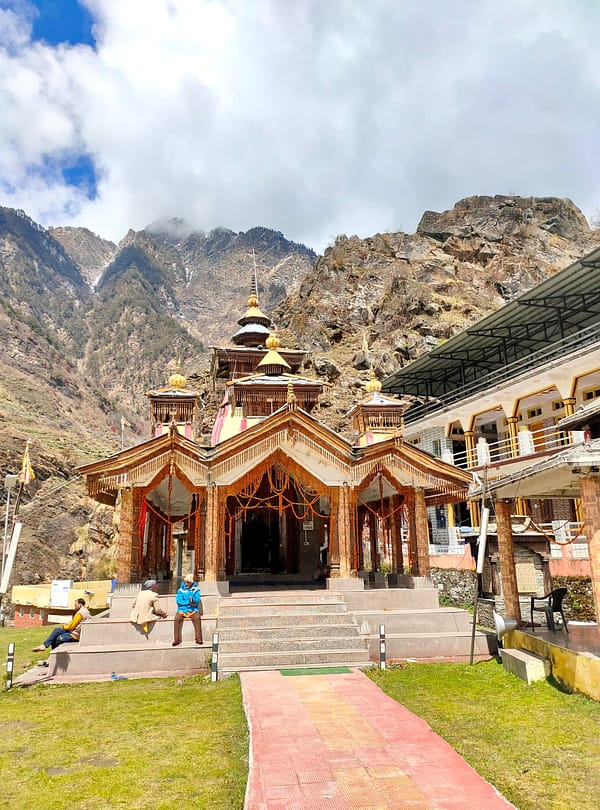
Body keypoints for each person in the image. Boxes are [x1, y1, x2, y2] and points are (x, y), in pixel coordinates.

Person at [172, 573, 202, 646]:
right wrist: (189, 602)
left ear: (191, 582)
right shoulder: (180, 590)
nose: (186, 584)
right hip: (182, 609)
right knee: (177, 619)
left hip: (192, 609)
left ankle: (198, 638)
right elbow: (178, 601)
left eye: (188, 582)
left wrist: (193, 600)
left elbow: (197, 600)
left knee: (197, 618)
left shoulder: (196, 590)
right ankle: (176, 639)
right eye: (185, 582)